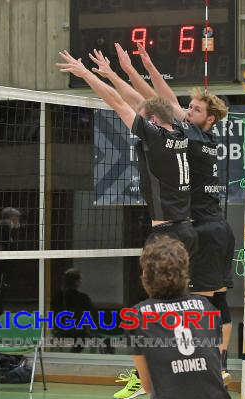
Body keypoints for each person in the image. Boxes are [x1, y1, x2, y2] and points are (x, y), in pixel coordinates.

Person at [90, 44, 235, 383]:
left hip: (205, 230)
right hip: (214, 228)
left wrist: (118, 73)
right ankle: (219, 364)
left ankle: (208, 365)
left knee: (202, 306)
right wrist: (139, 66)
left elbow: (154, 103)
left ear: (208, 119)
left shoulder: (192, 135)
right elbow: (159, 101)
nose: (186, 110)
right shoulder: (199, 134)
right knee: (215, 301)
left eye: (194, 109)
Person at [57, 51, 197, 258]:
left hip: (168, 236)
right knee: (181, 289)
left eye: (142, 119)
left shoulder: (156, 136)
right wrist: (112, 75)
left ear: (154, 121)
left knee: (162, 290)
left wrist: (86, 74)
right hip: (187, 230)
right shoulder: (179, 130)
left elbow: (118, 103)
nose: (136, 122)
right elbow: (139, 102)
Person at [126, 236, 233, 399]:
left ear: (145, 275)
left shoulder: (136, 316)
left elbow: (148, 387)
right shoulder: (207, 308)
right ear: (185, 273)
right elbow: (211, 368)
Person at [52, 268, 97, 353]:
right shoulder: (83, 297)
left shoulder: (57, 296)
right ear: (76, 282)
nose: (81, 281)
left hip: (59, 329)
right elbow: (92, 313)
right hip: (77, 331)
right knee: (85, 336)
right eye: (80, 279)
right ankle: (74, 353)